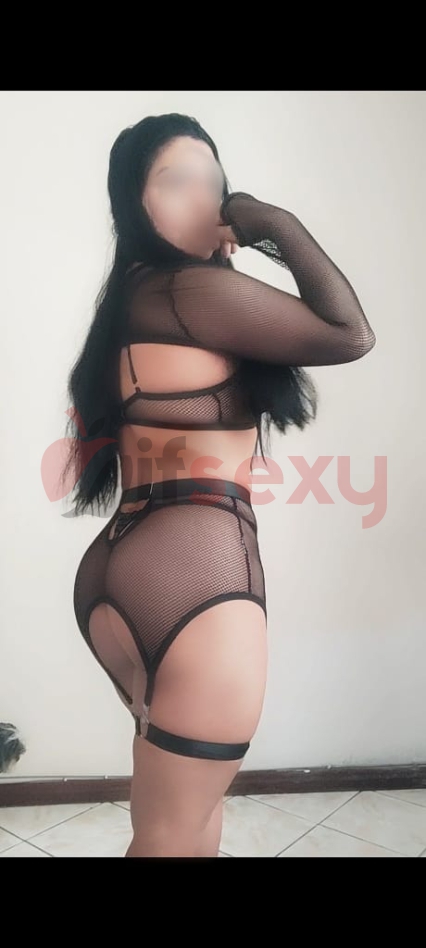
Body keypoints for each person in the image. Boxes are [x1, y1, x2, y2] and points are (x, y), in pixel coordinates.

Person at [63, 112, 376, 857]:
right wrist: (270, 222)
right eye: (176, 182)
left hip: (120, 569)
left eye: (215, 183)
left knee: (182, 823)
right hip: (196, 577)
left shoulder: (132, 298)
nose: (206, 201)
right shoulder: (186, 291)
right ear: (132, 200)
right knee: (174, 833)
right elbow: (350, 333)